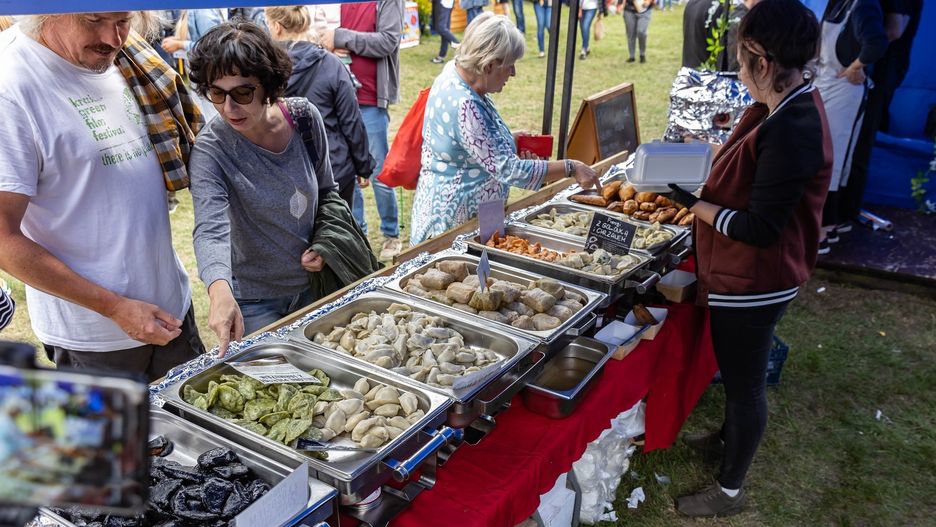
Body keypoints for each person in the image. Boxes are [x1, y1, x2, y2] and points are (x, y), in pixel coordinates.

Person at [668, 0, 831, 516]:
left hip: (758, 278)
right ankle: (726, 438)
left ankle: (729, 490)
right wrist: (701, 151)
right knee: (739, 371)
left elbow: (760, 229)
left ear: (763, 61)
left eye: (741, 61)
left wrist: (692, 204)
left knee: (745, 386)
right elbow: (748, 164)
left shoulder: (794, 126)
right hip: (748, 273)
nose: (738, 71)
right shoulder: (781, 105)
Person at [0, 12, 206, 381]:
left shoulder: (130, 56)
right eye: (94, 20)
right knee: (120, 424)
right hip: (95, 338)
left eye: (124, 20)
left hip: (173, 308)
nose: (114, 39)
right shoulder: (11, 85)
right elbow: (3, 238)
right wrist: (114, 308)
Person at [187, 21, 379, 357]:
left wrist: (325, 243)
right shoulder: (210, 150)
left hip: (316, 287)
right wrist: (219, 290)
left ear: (269, 85)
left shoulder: (304, 118)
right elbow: (210, 230)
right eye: (217, 93)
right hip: (255, 301)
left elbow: (328, 192)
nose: (228, 107)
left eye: (242, 93)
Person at [410, 14, 600, 245]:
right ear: (489, 65)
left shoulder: (455, 72)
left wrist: (507, 140)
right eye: (510, 65)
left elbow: (470, 144)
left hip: (468, 212)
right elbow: (509, 170)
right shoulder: (466, 104)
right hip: (456, 221)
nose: (513, 73)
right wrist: (571, 167)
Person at [267, 6, 376, 209]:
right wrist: (363, 166)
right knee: (337, 227)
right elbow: (351, 121)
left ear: (277, 26)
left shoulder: (265, 69)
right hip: (332, 168)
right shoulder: (331, 64)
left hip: (285, 171)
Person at [321, 0, 406, 261]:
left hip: (370, 99)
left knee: (378, 172)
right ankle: (358, 235)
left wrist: (341, 37)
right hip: (339, 97)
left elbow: (388, 41)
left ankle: (391, 234)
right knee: (346, 172)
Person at [839, 0, 922, 231]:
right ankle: (842, 210)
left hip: (876, 73)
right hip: (872, 72)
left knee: (857, 145)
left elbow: (894, 30)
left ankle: (844, 212)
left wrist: (856, 60)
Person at [814, 0, 887, 254]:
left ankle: (822, 231)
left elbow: (877, 42)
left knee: (831, 159)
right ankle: (831, 223)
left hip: (844, 91)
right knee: (829, 158)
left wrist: (857, 66)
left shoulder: (863, 4)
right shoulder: (837, 4)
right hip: (825, 84)